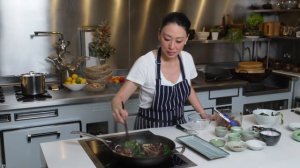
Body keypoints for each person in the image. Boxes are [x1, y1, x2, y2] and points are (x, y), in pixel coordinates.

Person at [111, 12, 210, 130]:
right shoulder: (145, 63)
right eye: (167, 39)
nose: (172, 46)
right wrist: (117, 108)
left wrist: (203, 114)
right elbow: (119, 98)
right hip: (150, 131)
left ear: (186, 39)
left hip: (179, 128)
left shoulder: (187, 59)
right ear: (159, 34)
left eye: (179, 41)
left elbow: (188, 89)